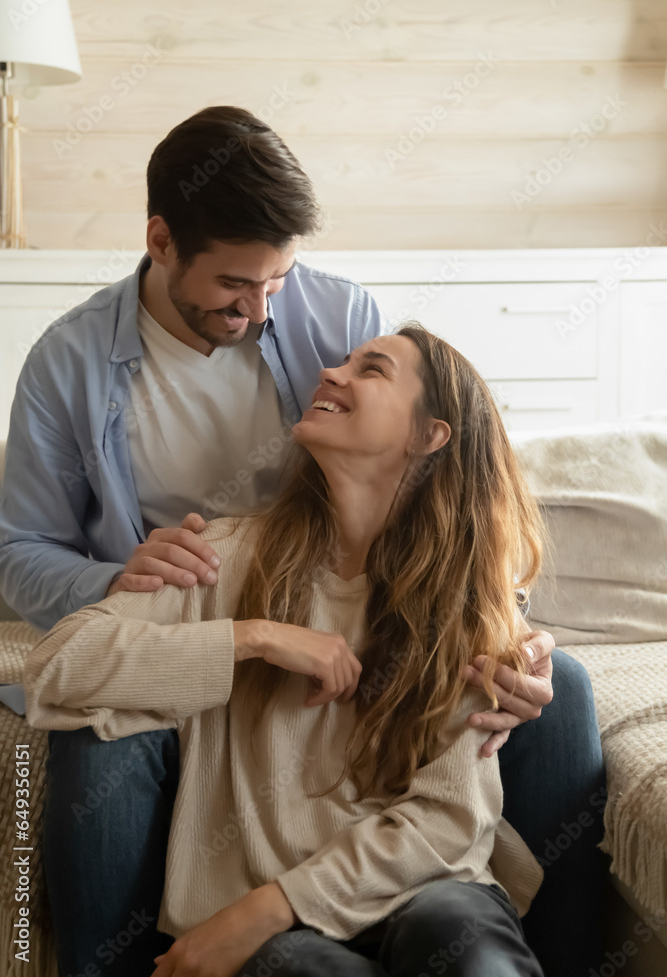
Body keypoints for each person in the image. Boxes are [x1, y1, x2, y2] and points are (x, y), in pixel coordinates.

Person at [0, 107, 604, 977]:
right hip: (202, 588)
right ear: (162, 242)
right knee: (100, 738)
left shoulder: (337, 316)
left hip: (344, 578)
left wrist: (506, 623)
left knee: (555, 692)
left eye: (277, 281)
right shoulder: (71, 364)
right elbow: (27, 563)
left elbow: (445, 473)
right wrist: (143, 590)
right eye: (237, 286)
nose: (263, 309)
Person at [25, 326, 547, 977]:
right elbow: (55, 666)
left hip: (423, 895)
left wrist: (269, 906)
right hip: (284, 941)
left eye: (371, 369)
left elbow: (446, 820)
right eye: (342, 361)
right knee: (292, 966)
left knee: (460, 934)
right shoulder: (229, 554)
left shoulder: (466, 599)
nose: (330, 372)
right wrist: (254, 639)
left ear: (427, 435)